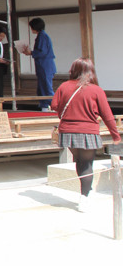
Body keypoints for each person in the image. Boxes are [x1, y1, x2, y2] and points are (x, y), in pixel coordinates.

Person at [51, 58, 121, 212]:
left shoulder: (64, 86)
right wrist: (115, 135)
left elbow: (54, 105)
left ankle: (84, 193)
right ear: (91, 71)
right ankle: (85, 197)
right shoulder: (96, 90)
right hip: (88, 131)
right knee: (87, 164)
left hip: (68, 131)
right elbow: (107, 115)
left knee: (79, 162)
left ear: (73, 70)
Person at [22, 18, 56, 110]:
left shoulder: (42, 36)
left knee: (46, 88)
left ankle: (55, 107)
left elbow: (42, 52)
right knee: (42, 88)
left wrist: (31, 52)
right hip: (44, 65)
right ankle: (44, 107)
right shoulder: (42, 36)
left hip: (45, 66)